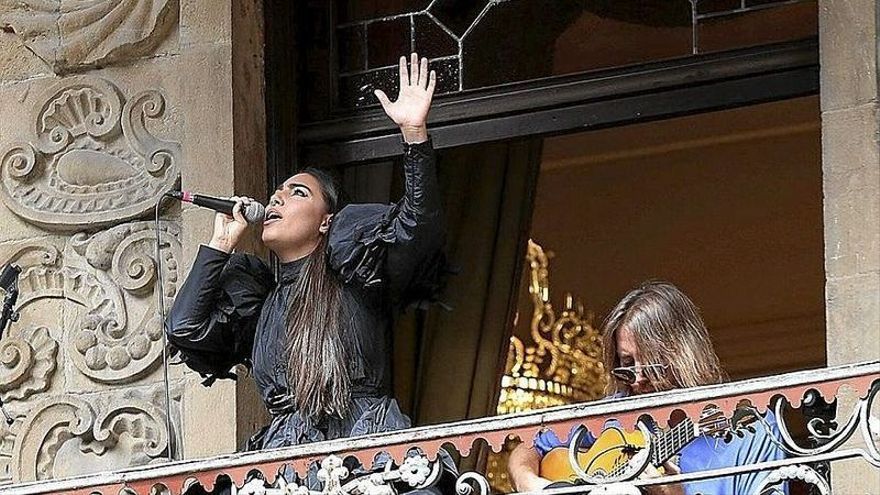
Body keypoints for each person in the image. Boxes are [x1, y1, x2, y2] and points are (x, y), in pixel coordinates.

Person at [166, 54, 447, 486]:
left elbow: (416, 228)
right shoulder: (261, 300)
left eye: (296, 193)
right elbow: (185, 327)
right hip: (287, 471)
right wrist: (220, 243)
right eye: (276, 193)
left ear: (326, 221)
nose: (276, 200)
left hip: (368, 464)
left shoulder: (354, 269)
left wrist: (414, 134)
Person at [508, 281, 787, 495]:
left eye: (653, 364)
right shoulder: (614, 415)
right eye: (627, 364)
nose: (638, 378)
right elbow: (530, 447)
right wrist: (532, 485)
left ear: (686, 354)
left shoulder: (754, 428)